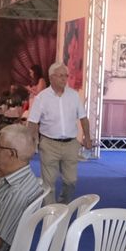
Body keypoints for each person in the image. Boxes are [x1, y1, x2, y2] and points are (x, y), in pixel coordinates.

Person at [28, 63, 92, 205]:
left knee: (71, 181)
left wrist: (87, 137)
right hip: (49, 144)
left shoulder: (74, 96)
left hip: (71, 144)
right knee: (48, 184)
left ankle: (62, 207)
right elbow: (32, 122)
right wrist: (31, 142)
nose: (64, 79)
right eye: (61, 76)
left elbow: (83, 118)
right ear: (51, 78)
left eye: (66, 76)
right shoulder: (42, 98)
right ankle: (51, 214)